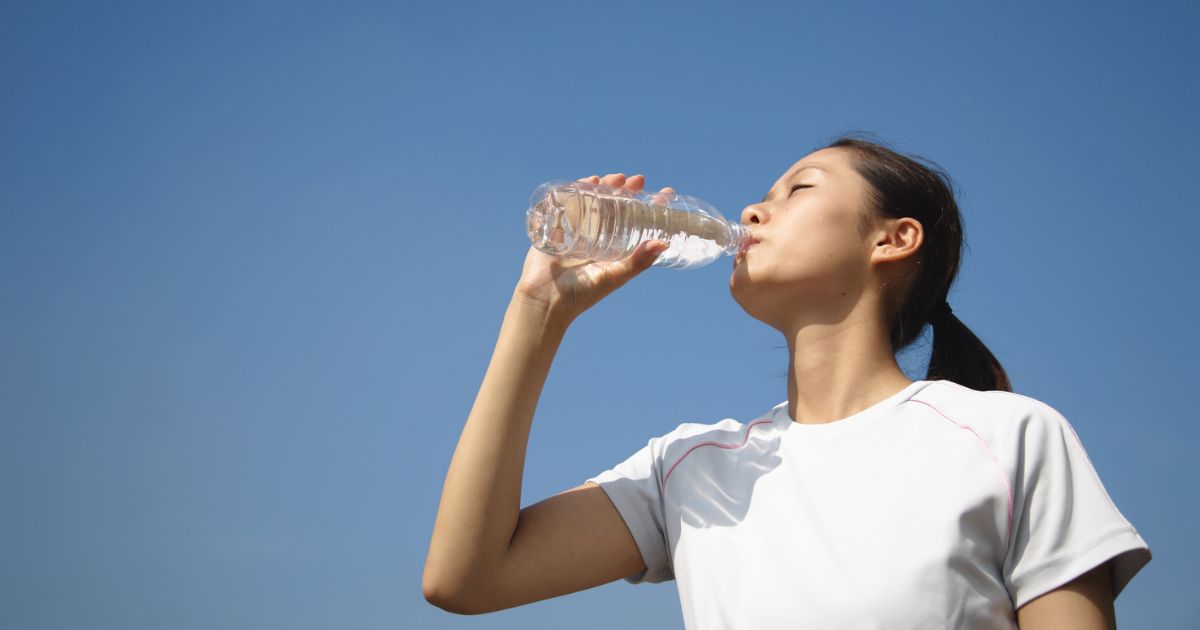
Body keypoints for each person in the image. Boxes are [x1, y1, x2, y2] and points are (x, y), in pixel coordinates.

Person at [421, 135, 1151, 628]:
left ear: (892, 239)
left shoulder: (1006, 436)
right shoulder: (689, 471)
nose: (750, 212)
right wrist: (537, 311)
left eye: (798, 189)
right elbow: (466, 578)